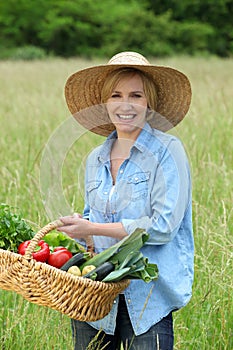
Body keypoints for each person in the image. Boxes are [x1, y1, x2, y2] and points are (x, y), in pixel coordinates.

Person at [57, 51, 194, 350]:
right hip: (94, 297)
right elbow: (91, 227)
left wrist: (95, 227)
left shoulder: (168, 151)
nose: (125, 104)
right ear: (105, 103)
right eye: (116, 95)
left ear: (149, 103)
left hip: (147, 300)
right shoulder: (95, 158)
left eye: (136, 95)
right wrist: (82, 232)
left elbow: (162, 227)